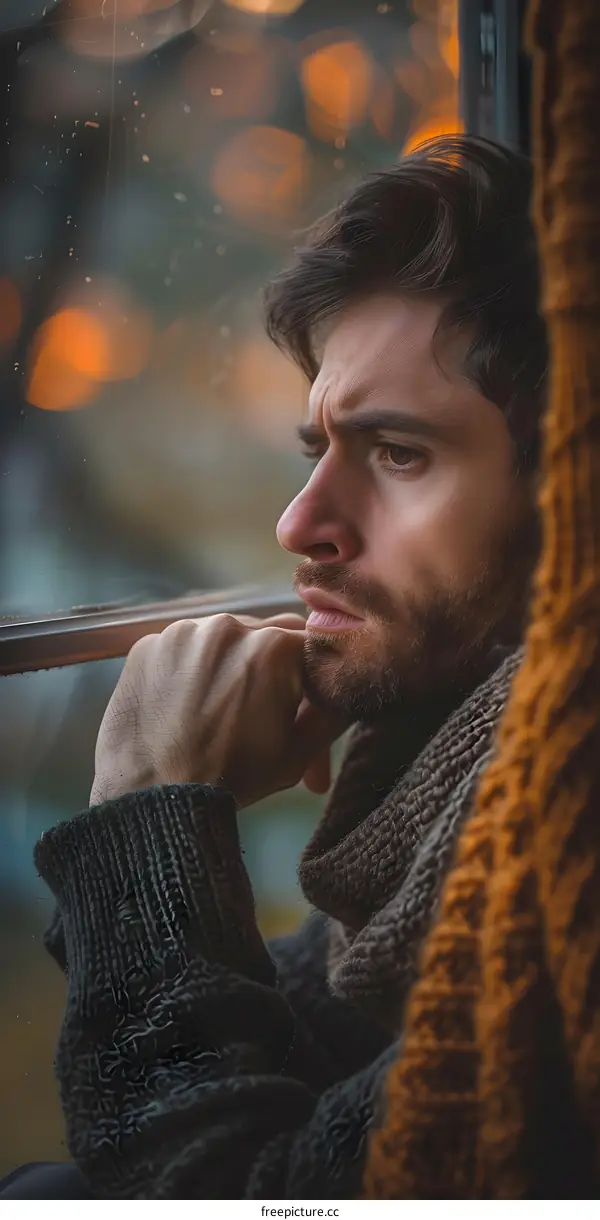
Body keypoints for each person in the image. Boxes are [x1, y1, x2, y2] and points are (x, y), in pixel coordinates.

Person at [1, 134, 547, 1200]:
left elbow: (237, 1187)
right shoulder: (444, 785)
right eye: (317, 452)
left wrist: (150, 813)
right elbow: (257, 1093)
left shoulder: (561, 831)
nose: (302, 523)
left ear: (572, 486)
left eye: (399, 454)